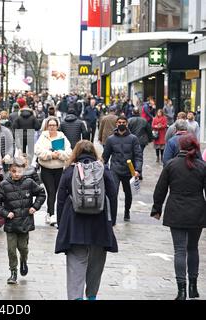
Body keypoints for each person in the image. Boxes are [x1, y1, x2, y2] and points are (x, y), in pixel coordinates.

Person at [55, 140, 118, 300]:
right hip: (100, 222)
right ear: (94, 152)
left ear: (76, 152)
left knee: (76, 262)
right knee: (96, 263)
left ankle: (76, 297)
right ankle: (91, 296)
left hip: (75, 222)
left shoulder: (70, 170)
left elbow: (61, 198)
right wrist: (112, 220)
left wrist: (61, 222)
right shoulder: (102, 169)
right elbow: (112, 194)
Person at [151, 134, 206, 300]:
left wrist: (157, 208)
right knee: (193, 248)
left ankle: (181, 290)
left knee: (179, 250)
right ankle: (193, 287)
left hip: (176, 210)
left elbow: (160, 189)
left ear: (180, 146)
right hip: (197, 210)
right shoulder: (202, 166)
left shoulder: (171, 165)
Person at [0, 156, 46, 285]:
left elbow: (41, 193)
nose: (17, 174)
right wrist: (6, 213)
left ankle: (23, 260)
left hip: (25, 222)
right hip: (11, 223)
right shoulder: (4, 185)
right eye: (14, 171)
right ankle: (13, 271)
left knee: (23, 248)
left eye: (20, 171)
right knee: (11, 249)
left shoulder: (29, 183)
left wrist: (35, 207)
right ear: (10, 170)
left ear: (24, 170)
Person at [102, 116, 142, 222]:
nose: (121, 124)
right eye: (119, 122)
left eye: (123, 122)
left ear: (127, 124)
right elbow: (105, 157)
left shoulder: (133, 139)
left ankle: (126, 211)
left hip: (129, 170)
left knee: (128, 193)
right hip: (115, 169)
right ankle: (113, 217)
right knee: (113, 193)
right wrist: (101, 168)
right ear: (116, 124)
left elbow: (138, 155)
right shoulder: (110, 139)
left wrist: (138, 170)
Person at [35, 118, 72, 226]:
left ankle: (49, 213)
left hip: (59, 169)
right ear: (47, 126)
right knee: (51, 191)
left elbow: (69, 152)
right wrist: (50, 155)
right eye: (50, 125)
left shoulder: (62, 137)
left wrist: (59, 154)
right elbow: (38, 151)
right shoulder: (43, 137)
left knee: (56, 192)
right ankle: (52, 215)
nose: (52, 127)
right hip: (46, 169)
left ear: (57, 126)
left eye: (54, 125)